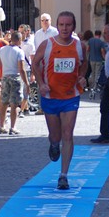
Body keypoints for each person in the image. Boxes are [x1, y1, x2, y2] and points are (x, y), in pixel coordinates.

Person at [32, 11, 87, 190]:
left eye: (68, 25)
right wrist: (40, 83)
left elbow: (84, 62)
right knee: (56, 136)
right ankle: (54, 144)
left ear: (74, 26)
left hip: (71, 96)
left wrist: (82, 76)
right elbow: (35, 64)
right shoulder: (47, 44)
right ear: (57, 26)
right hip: (50, 96)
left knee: (68, 134)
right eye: (62, 25)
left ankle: (63, 176)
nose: (64, 28)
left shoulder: (80, 46)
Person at [0, 31, 29, 135]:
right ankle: (12, 127)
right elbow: (21, 69)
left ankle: (1, 126)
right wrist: (27, 83)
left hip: (5, 77)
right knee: (14, 104)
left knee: (4, 102)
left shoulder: (2, 49)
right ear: (19, 40)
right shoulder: (19, 52)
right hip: (15, 77)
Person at [33, 13, 58, 116]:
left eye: (46, 20)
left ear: (50, 21)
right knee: (40, 83)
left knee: (53, 83)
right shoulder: (38, 33)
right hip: (40, 61)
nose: (44, 22)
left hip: (52, 60)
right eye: (42, 20)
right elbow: (36, 48)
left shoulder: (55, 32)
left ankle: (54, 105)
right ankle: (41, 107)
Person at [19, 24, 35, 116]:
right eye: (19, 32)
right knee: (19, 91)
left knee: (25, 91)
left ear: (26, 32)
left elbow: (32, 60)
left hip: (27, 70)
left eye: (22, 32)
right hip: (17, 70)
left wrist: (33, 74)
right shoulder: (15, 43)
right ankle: (25, 108)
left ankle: (21, 110)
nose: (20, 34)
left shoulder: (30, 44)